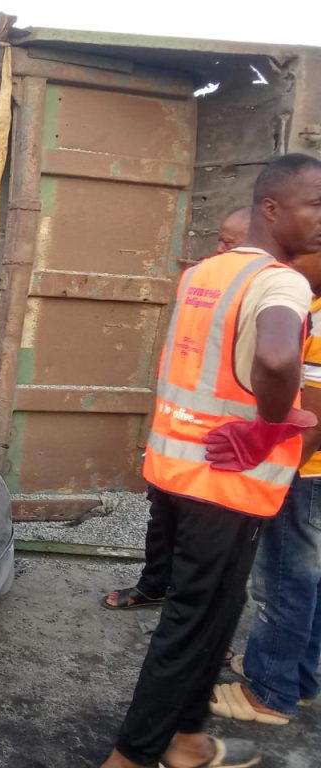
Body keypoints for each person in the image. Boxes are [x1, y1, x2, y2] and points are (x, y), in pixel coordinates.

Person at [100, 154, 321, 768]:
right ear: (273, 209)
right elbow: (277, 361)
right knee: (194, 626)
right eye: (317, 205)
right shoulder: (282, 281)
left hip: (178, 468)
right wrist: (268, 429)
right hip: (226, 483)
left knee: (212, 616)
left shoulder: (205, 272)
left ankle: (188, 740)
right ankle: (130, 757)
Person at [103, 207, 253, 612]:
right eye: (220, 241)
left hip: (219, 452)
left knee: (205, 547)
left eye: (231, 245)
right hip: (176, 438)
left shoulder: (263, 300)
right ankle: (154, 587)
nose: (220, 252)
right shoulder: (200, 286)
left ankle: (198, 625)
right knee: (162, 520)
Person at [212, 251, 321, 726]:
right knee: (310, 581)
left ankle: (269, 691)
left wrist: (278, 474)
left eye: (300, 252)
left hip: (306, 471)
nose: (289, 258)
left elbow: (315, 412)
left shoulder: (314, 313)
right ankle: (298, 678)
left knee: (283, 581)